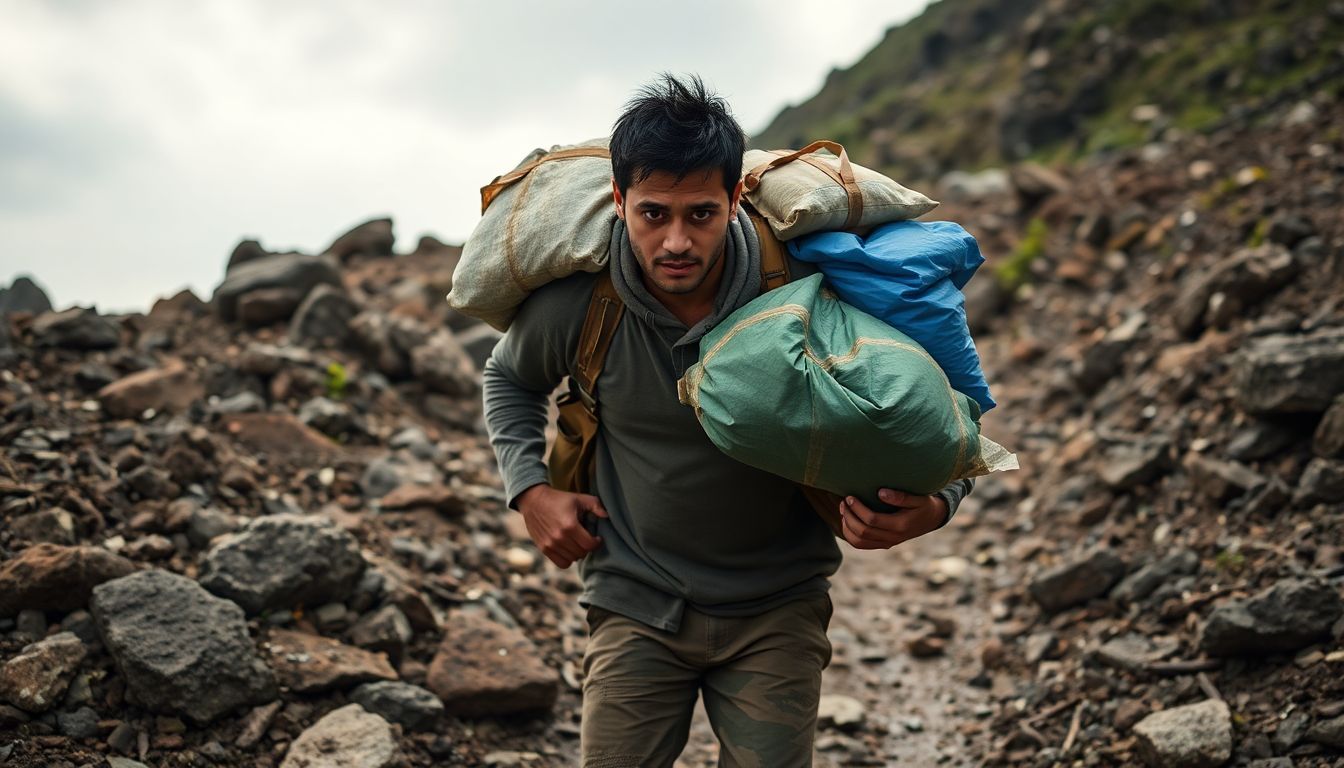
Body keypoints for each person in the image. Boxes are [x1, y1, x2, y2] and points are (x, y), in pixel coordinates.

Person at [481, 73, 974, 768]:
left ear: (736, 199)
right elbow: (507, 376)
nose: (676, 241)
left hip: (779, 608)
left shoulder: (805, 286)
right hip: (633, 601)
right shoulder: (583, 306)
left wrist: (937, 506)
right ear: (620, 202)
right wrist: (530, 490)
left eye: (701, 214)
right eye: (654, 214)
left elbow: (941, 409)